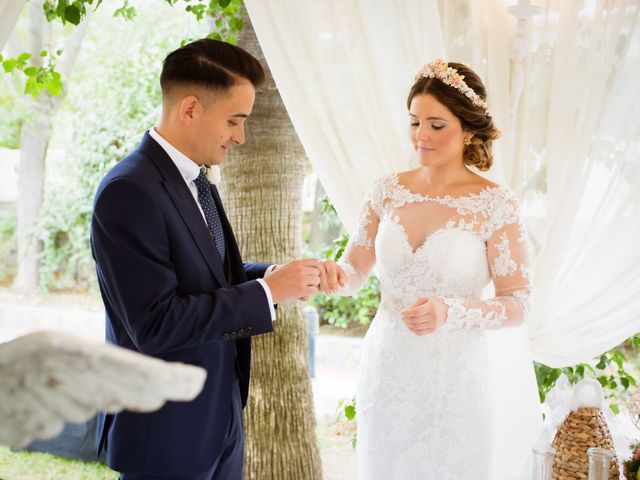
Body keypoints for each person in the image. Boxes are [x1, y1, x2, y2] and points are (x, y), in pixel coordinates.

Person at [90, 38, 343, 480]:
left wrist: (276, 276)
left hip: (217, 421)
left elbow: (208, 275)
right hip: (164, 431)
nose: (240, 137)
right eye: (234, 120)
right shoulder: (128, 191)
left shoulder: (196, 178)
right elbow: (154, 324)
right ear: (190, 109)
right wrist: (266, 293)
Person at [335, 59, 532, 479]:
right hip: (387, 369)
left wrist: (450, 311)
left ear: (469, 130)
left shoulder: (496, 204)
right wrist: (325, 275)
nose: (421, 135)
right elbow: (353, 270)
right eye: (414, 122)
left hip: (456, 379)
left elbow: (517, 303)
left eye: (436, 125)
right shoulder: (386, 191)